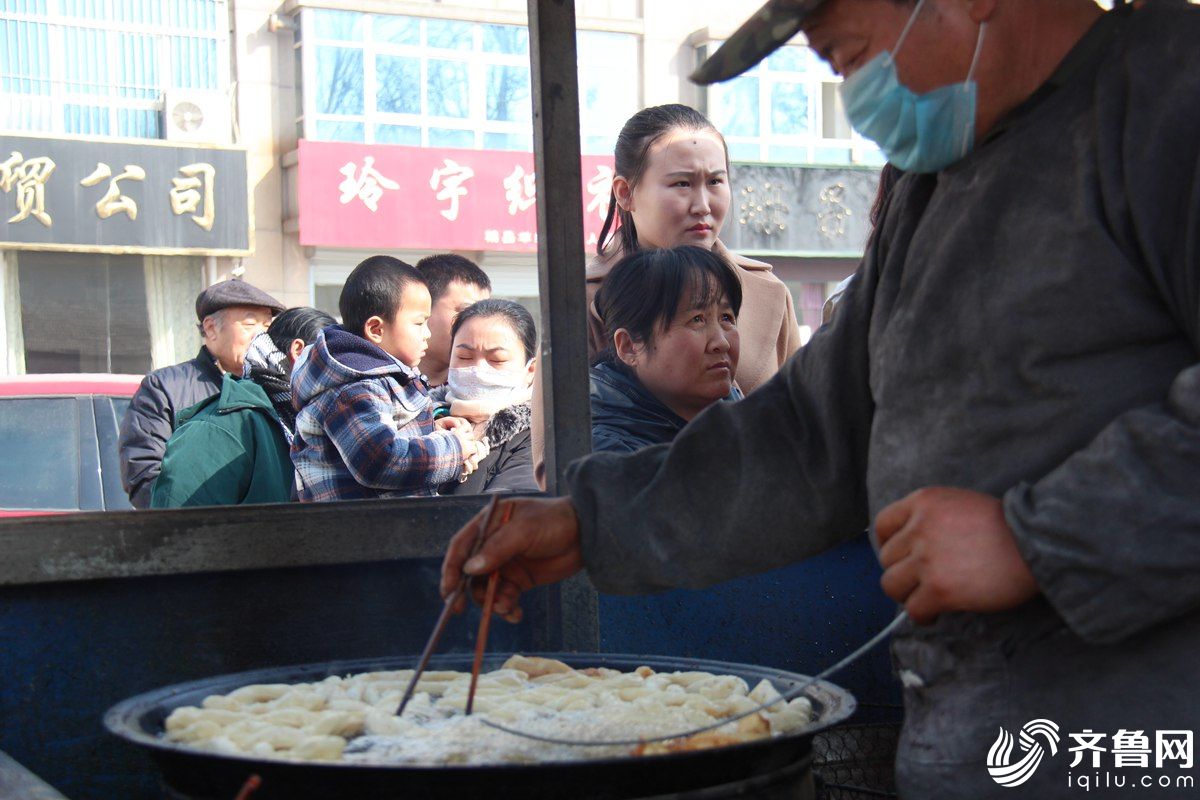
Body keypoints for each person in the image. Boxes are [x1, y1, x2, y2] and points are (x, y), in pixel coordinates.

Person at [442, 2, 1200, 798]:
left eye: (851, 55)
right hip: (985, 735)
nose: (852, 92)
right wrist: (594, 520)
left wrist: (1036, 538)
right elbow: (813, 429)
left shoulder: (1163, 94)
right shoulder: (936, 181)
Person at [533, 103, 803, 484]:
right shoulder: (580, 298)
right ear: (625, 193)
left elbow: (800, 427)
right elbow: (556, 461)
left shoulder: (766, 292)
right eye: (682, 184)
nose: (703, 205)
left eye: (715, 181)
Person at [290, 256, 484, 502]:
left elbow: (386, 430)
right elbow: (380, 461)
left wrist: (431, 427)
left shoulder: (373, 378)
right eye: (419, 323)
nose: (427, 333)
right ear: (376, 330)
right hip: (360, 532)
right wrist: (454, 449)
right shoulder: (353, 388)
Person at [118, 278, 284, 509]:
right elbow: (144, 473)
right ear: (210, 328)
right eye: (249, 324)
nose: (261, 336)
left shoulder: (276, 388)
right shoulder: (164, 387)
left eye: (267, 326)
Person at [150, 307, 335, 508]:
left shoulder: (305, 427)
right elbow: (175, 528)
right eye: (335, 361)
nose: (344, 376)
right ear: (298, 352)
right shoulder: (222, 428)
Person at [590, 246, 742, 453]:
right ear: (629, 347)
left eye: (726, 317)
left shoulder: (745, 425)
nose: (722, 342)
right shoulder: (609, 454)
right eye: (697, 319)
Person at [433, 299, 539, 494]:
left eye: (496, 360)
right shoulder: (416, 418)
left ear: (531, 369)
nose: (477, 370)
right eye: (464, 357)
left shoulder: (538, 438)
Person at [415, 254, 493, 388]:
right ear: (424, 307)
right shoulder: (379, 384)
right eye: (468, 311)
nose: (479, 325)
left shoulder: (485, 387)